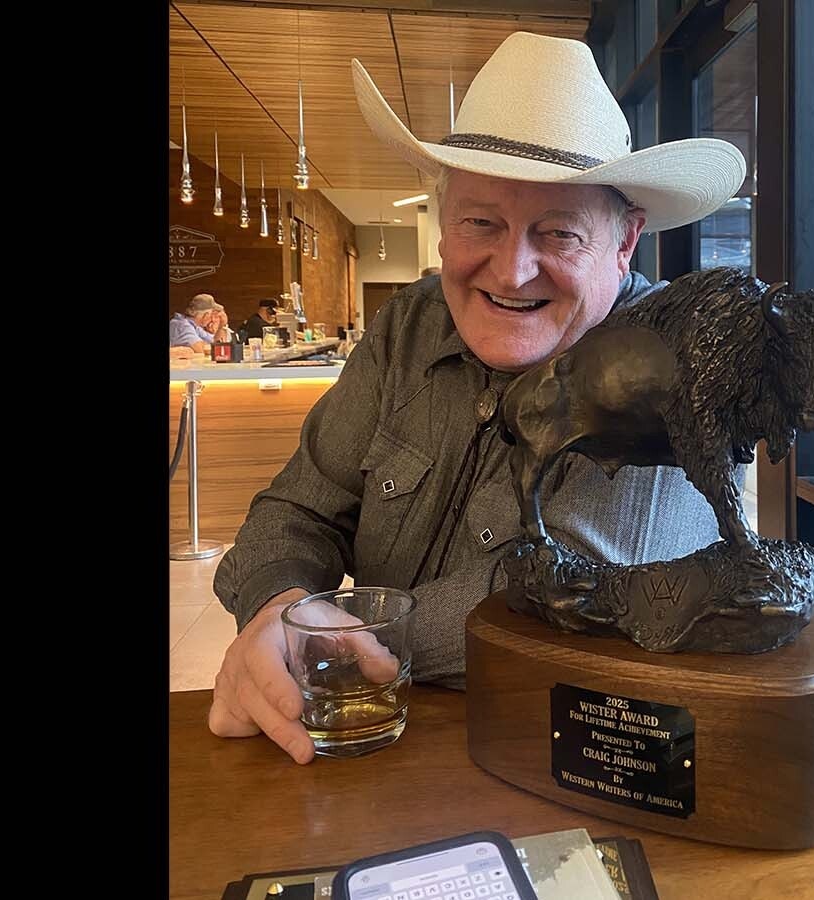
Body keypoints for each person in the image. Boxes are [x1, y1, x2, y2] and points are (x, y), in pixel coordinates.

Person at [207, 31, 747, 764]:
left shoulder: (668, 366)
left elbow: (572, 592)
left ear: (625, 244)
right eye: (481, 223)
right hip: (377, 740)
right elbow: (299, 507)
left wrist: (317, 646)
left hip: (575, 757)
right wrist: (275, 605)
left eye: (557, 233)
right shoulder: (410, 323)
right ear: (443, 222)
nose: (512, 270)